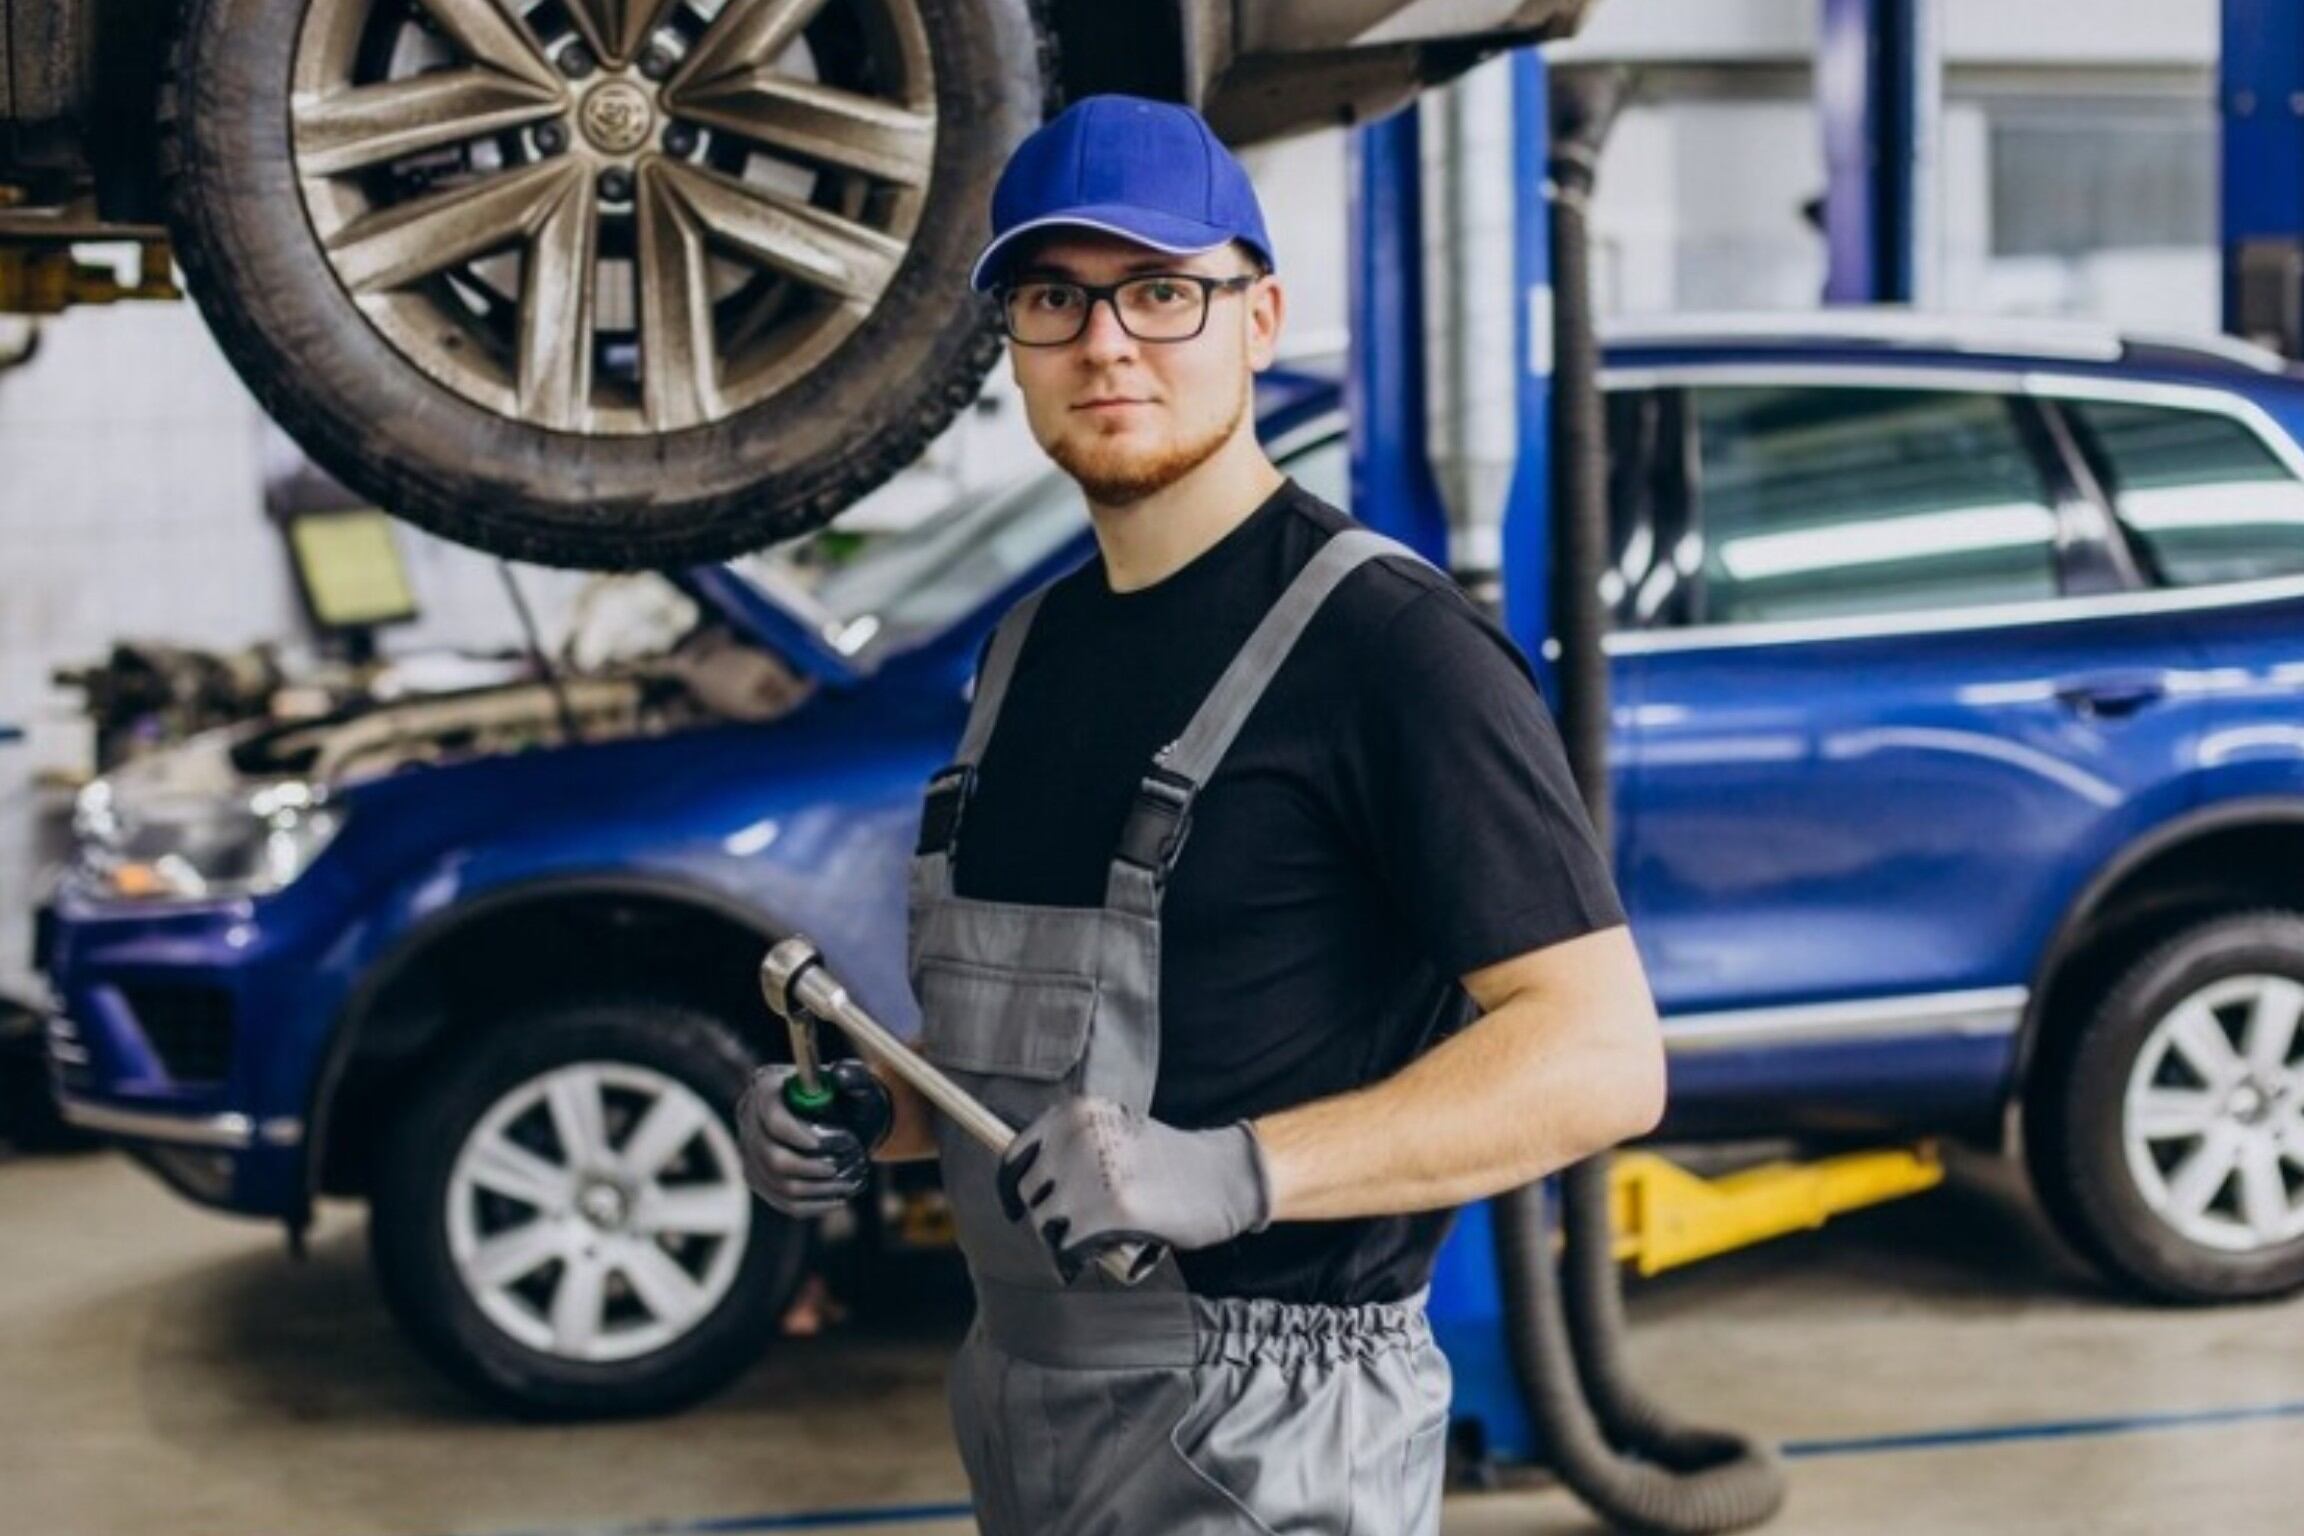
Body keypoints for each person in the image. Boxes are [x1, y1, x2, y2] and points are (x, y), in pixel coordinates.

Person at [738, 93, 1666, 1535]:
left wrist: (1242, 1170)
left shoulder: (1390, 651)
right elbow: (1053, 1076)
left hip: (1274, 1430)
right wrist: (878, 1110)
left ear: (1259, 317)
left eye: (1162, 291)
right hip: (1028, 1397)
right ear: (1015, 350)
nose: (1106, 342)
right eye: (1056, 298)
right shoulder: (1028, 653)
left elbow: (1600, 1057)